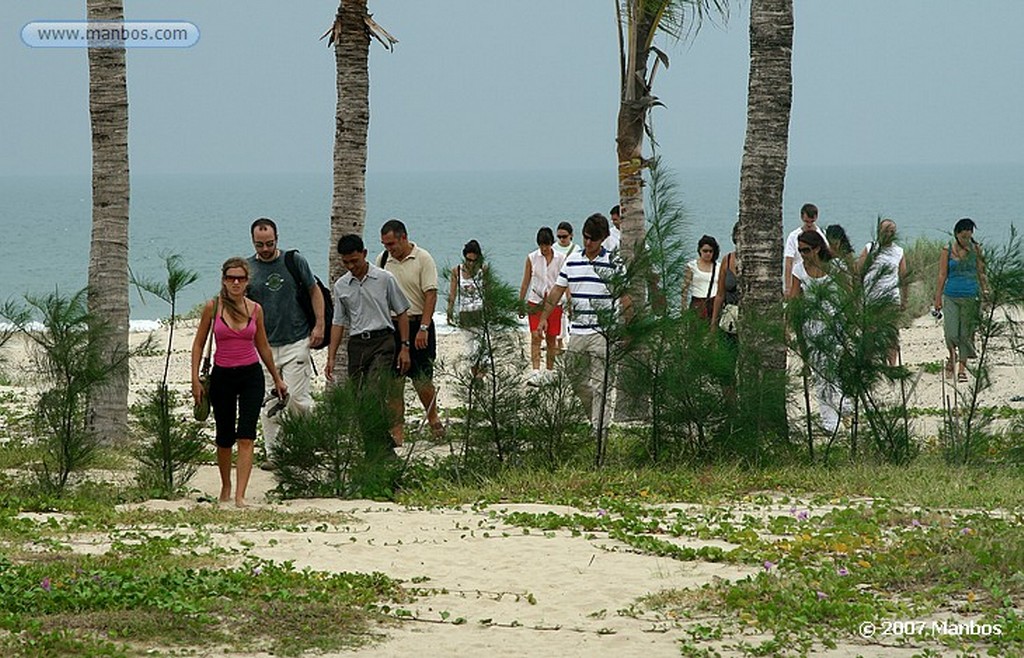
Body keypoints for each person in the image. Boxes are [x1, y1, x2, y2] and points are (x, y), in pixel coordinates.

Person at [191, 258, 287, 507]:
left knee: (246, 435)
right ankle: (225, 486)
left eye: (241, 278)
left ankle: (240, 495)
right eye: (231, 277)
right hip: (222, 376)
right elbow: (199, 343)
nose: (235, 282)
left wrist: (277, 378)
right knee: (224, 436)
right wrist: (194, 379)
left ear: (247, 282)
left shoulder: (255, 309)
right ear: (224, 279)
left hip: (250, 376)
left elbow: (263, 345)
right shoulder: (212, 308)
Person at [535, 213, 629, 436]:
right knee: (574, 376)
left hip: (603, 332)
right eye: (586, 237)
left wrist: (627, 329)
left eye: (593, 239)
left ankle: (600, 429)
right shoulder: (573, 259)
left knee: (601, 383)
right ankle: (594, 418)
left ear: (604, 238)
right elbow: (556, 291)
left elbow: (625, 299)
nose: (588, 243)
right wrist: (543, 319)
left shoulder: (614, 263)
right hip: (577, 331)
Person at [247, 217, 325, 471]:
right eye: (260, 245)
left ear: (277, 239)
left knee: (296, 398)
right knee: (269, 401)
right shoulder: (248, 269)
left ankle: (306, 444)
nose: (265, 249)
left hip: (297, 340)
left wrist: (320, 325)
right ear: (253, 243)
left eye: (269, 243)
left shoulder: (294, 261)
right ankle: (275, 453)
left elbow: (315, 291)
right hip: (264, 346)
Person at [326, 234, 412, 460]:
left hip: (383, 342)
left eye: (355, 260)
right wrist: (331, 357)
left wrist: (405, 347)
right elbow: (338, 322)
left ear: (364, 254)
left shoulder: (384, 278)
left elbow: (402, 312)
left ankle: (382, 447)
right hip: (357, 345)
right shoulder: (341, 285)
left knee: (373, 392)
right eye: (346, 262)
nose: (351, 266)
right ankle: (375, 448)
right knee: (360, 399)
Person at [377, 219, 444, 441]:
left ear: (403, 238)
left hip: (418, 323)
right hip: (393, 326)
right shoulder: (383, 260)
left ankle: (433, 419)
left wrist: (424, 327)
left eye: (392, 243)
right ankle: (397, 430)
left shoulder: (423, 258)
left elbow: (431, 295)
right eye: (385, 244)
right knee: (394, 382)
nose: (389, 248)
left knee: (422, 379)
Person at [787, 231, 850, 434]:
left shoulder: (835, 267)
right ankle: (830, 420)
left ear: (817, 248)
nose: (803, 254)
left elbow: (848, 293)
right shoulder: (799, 270)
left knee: (834, 369)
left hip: (835, 324)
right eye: (800, 250)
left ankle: (843, 405)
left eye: (806, 250)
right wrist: (789, 325)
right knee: (820, 374)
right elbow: (794, 300)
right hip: (812, 326)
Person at [934, 217, 989, 382]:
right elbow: (942, 274)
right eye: (963, 236)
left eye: (969, 235)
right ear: (957, 234)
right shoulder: (947, 249)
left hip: (971, 295)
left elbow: (981, 271)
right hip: (951, 295)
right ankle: (952, 357)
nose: (966, 239)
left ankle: (962, 368)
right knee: (951, 332)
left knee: (966, 334)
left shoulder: (976, 249)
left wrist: (986, 290)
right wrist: (938, 297)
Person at [519, 227, 567, 384]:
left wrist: (569, 299)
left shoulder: (561, 258)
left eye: (546, 245)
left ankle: (549, 371)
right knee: (535, 336)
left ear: (551, 243)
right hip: (535, 301)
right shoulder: (532, 258)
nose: (544, 248)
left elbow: (566, 282)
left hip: (554, 303)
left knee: (552, 338)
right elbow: (526, 281)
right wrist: (520, 302)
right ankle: (535, 371)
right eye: (541, 245)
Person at [858, 218, 908, 366]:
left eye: (892, 231)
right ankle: (870, 363)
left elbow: (903, 277)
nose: (889, 234)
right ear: (879, 232)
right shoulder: (870, 248)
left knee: (891, 333)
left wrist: (905, 299)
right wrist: (859, 297)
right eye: (886, 231)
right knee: (870, 332)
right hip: (872, 298)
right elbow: (858, 272)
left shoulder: (898, 252)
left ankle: (891, 364)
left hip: (891, 299)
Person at [446, 240, 486, 376]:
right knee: (469, 348)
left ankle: (480, 375)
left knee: (481, 348)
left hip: (480, 313)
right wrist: (449, 310)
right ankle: (475, 376)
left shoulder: (483, 270)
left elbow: (490, 292)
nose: (470, 263)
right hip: (465, 314)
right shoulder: (456, 271)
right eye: (468, 260)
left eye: (473, 260)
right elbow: (453, 294)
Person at [783, 203, 828, 295]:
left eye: (811, 221)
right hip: (799, 276)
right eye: (806, 221)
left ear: (816, 218)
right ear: (802, 218)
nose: (809, 225)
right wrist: (788, 287)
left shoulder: (822, 234)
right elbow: (789, 261)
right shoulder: (793, 236)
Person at [551, 221, 578, 350]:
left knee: (570, 313)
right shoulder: (554, 249)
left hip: (573, 284)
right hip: (557, 284)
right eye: (559, 237)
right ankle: (559, 341)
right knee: (558, 313)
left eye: (564, 236)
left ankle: (568, 338)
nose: (562, 239)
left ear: (571, 235)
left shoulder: (576, 249)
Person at [711, 224, 740, 339]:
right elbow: (720, 295)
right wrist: (714, 323)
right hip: (730, 316)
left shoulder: (756, 261)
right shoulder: (727, 260)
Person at [681, 235, 720, 323]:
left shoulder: (719, 267)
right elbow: (684, 288)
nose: (708, 254)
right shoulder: (691, 266)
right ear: (699, 250)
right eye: (705, 251)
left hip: (714, 303)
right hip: (697, 303)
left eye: (711, 251)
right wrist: (683, 308)